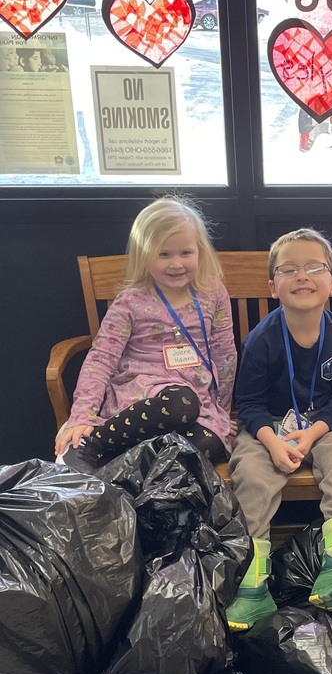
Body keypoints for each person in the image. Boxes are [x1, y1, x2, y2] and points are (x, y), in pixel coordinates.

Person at [227, 227, 332, 631]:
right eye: (289, 269)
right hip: (267, 425)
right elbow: (247, 404)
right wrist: (269, 441)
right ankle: (251, 586)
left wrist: (313, 432)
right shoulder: (261, 340)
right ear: (273, 287)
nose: (302, 276)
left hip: (324, 422)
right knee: (250, 472)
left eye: (314, 267)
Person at [55, 195, 236, 469]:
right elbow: (100, 359)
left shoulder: (212, 293)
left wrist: (223, 408)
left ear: (200, 251)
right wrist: (82, 415)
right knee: (180, 403)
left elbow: (225, 354)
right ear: (144, 254)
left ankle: (116, 474)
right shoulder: (131, 301)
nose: (176, 264)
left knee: (211, 443)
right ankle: (91, 445)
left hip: (198, 401)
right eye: (163, 254)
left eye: (185, 253)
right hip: (143, 398)